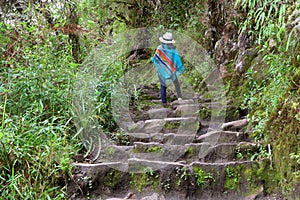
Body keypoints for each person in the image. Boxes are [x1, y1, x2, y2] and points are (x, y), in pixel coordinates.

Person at [151, 32, 184, 105]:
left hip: (161, 70)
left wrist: (159, 63)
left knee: (163, 85)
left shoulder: (159, 48)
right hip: (171, 70)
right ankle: (179, 97)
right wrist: (175, 66)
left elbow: (156, 58)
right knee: (176, 83)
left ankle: (164, 102)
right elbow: (176, 59)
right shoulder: (173, 48)